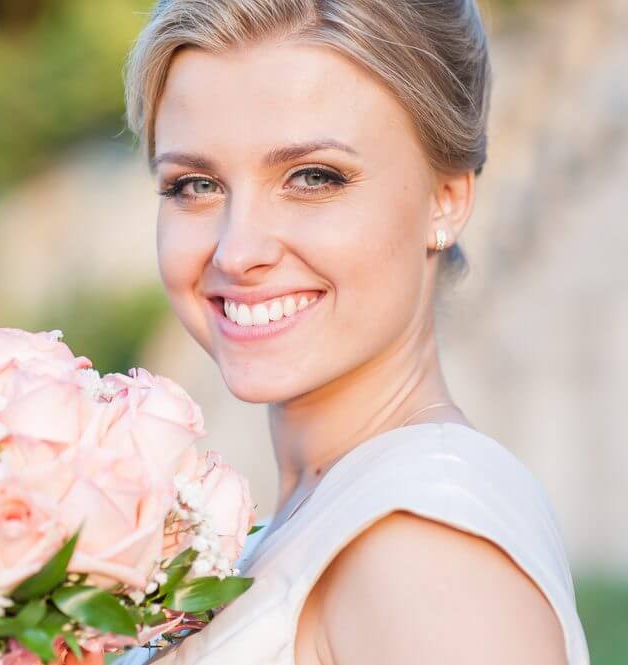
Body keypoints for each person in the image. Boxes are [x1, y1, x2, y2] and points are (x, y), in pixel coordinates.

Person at [117, 0, 590, 662]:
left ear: (445, 198)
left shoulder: (428, 555)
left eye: (313, 177)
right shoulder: (314, 518)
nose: (236, 250)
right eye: (195, 184)